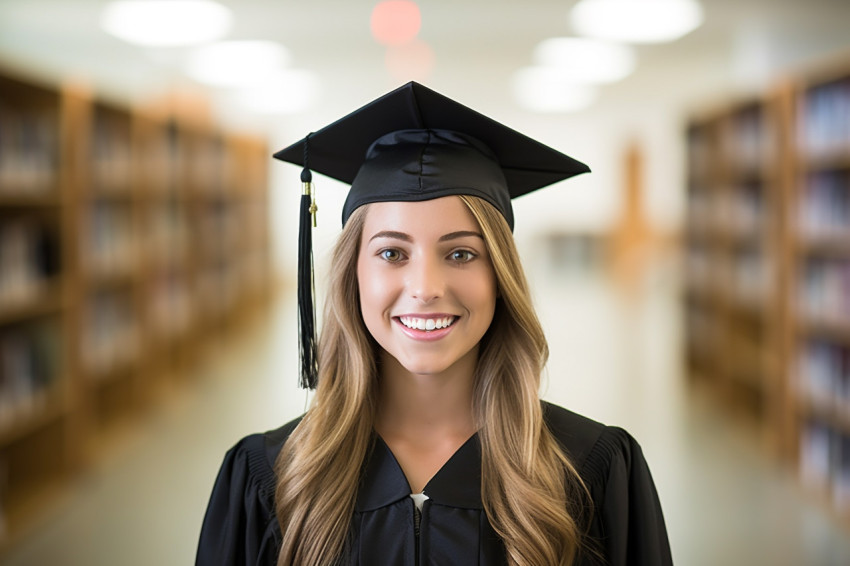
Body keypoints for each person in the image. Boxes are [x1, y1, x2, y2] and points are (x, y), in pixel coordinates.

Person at [196, 82, 673, 566]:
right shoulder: (272, 479)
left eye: (461, 253)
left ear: (500, 277)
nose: (425, 287)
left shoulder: (590, 471)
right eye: (391, 253)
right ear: (352, 275)